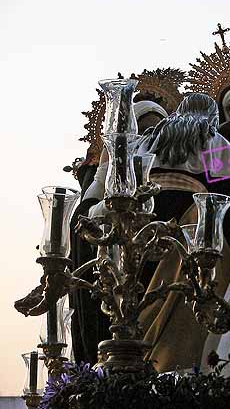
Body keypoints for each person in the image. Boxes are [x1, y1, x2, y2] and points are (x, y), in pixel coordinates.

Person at [135, 92, 230, 372]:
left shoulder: (149, 140)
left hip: (145, 233)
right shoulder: (217, 143)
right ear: (213, 118)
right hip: (192, 232)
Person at [70, 100, 168, 365]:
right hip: (109, 286)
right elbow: (84, 219)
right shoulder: (107, 174)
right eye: (142, 132)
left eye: (155, 131)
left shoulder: (169, 180)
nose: (147, 138)